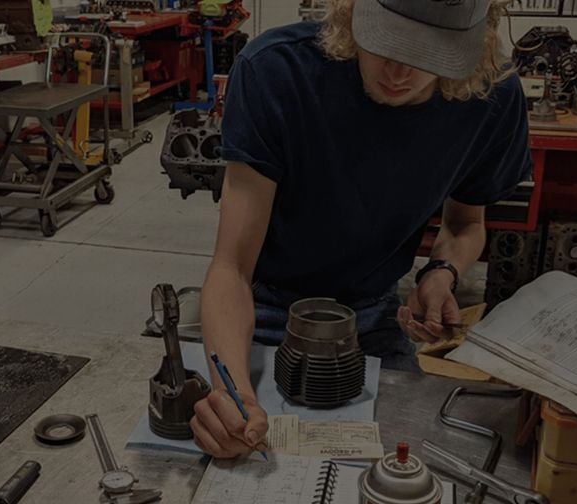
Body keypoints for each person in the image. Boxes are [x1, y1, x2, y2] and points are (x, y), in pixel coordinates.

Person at [190, 0, 533, 459]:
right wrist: (232, 394)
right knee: (232, 442)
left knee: (407, 456)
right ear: (350, 12)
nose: (398, 72)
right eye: (385, 42)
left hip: (372, 315)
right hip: (264, 306)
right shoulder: (277, 72)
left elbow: (466, 224)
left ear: (476, 40)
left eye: (427, 54)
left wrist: (442, 273)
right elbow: (231, 268)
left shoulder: (491, 96)